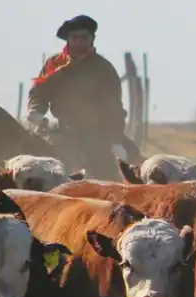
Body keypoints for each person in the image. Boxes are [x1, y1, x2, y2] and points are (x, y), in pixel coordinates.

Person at [26, 14, 142, 179]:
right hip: (57, 133)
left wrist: (114, 136)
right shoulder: (54, 64)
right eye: (75, 37)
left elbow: (114, 108)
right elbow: (39, 92)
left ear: (92, 39)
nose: (79, 42)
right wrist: (35, 111)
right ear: (68, 39)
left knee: (109, 176)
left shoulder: (103, 68)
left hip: (94, 136)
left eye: (84, 37)